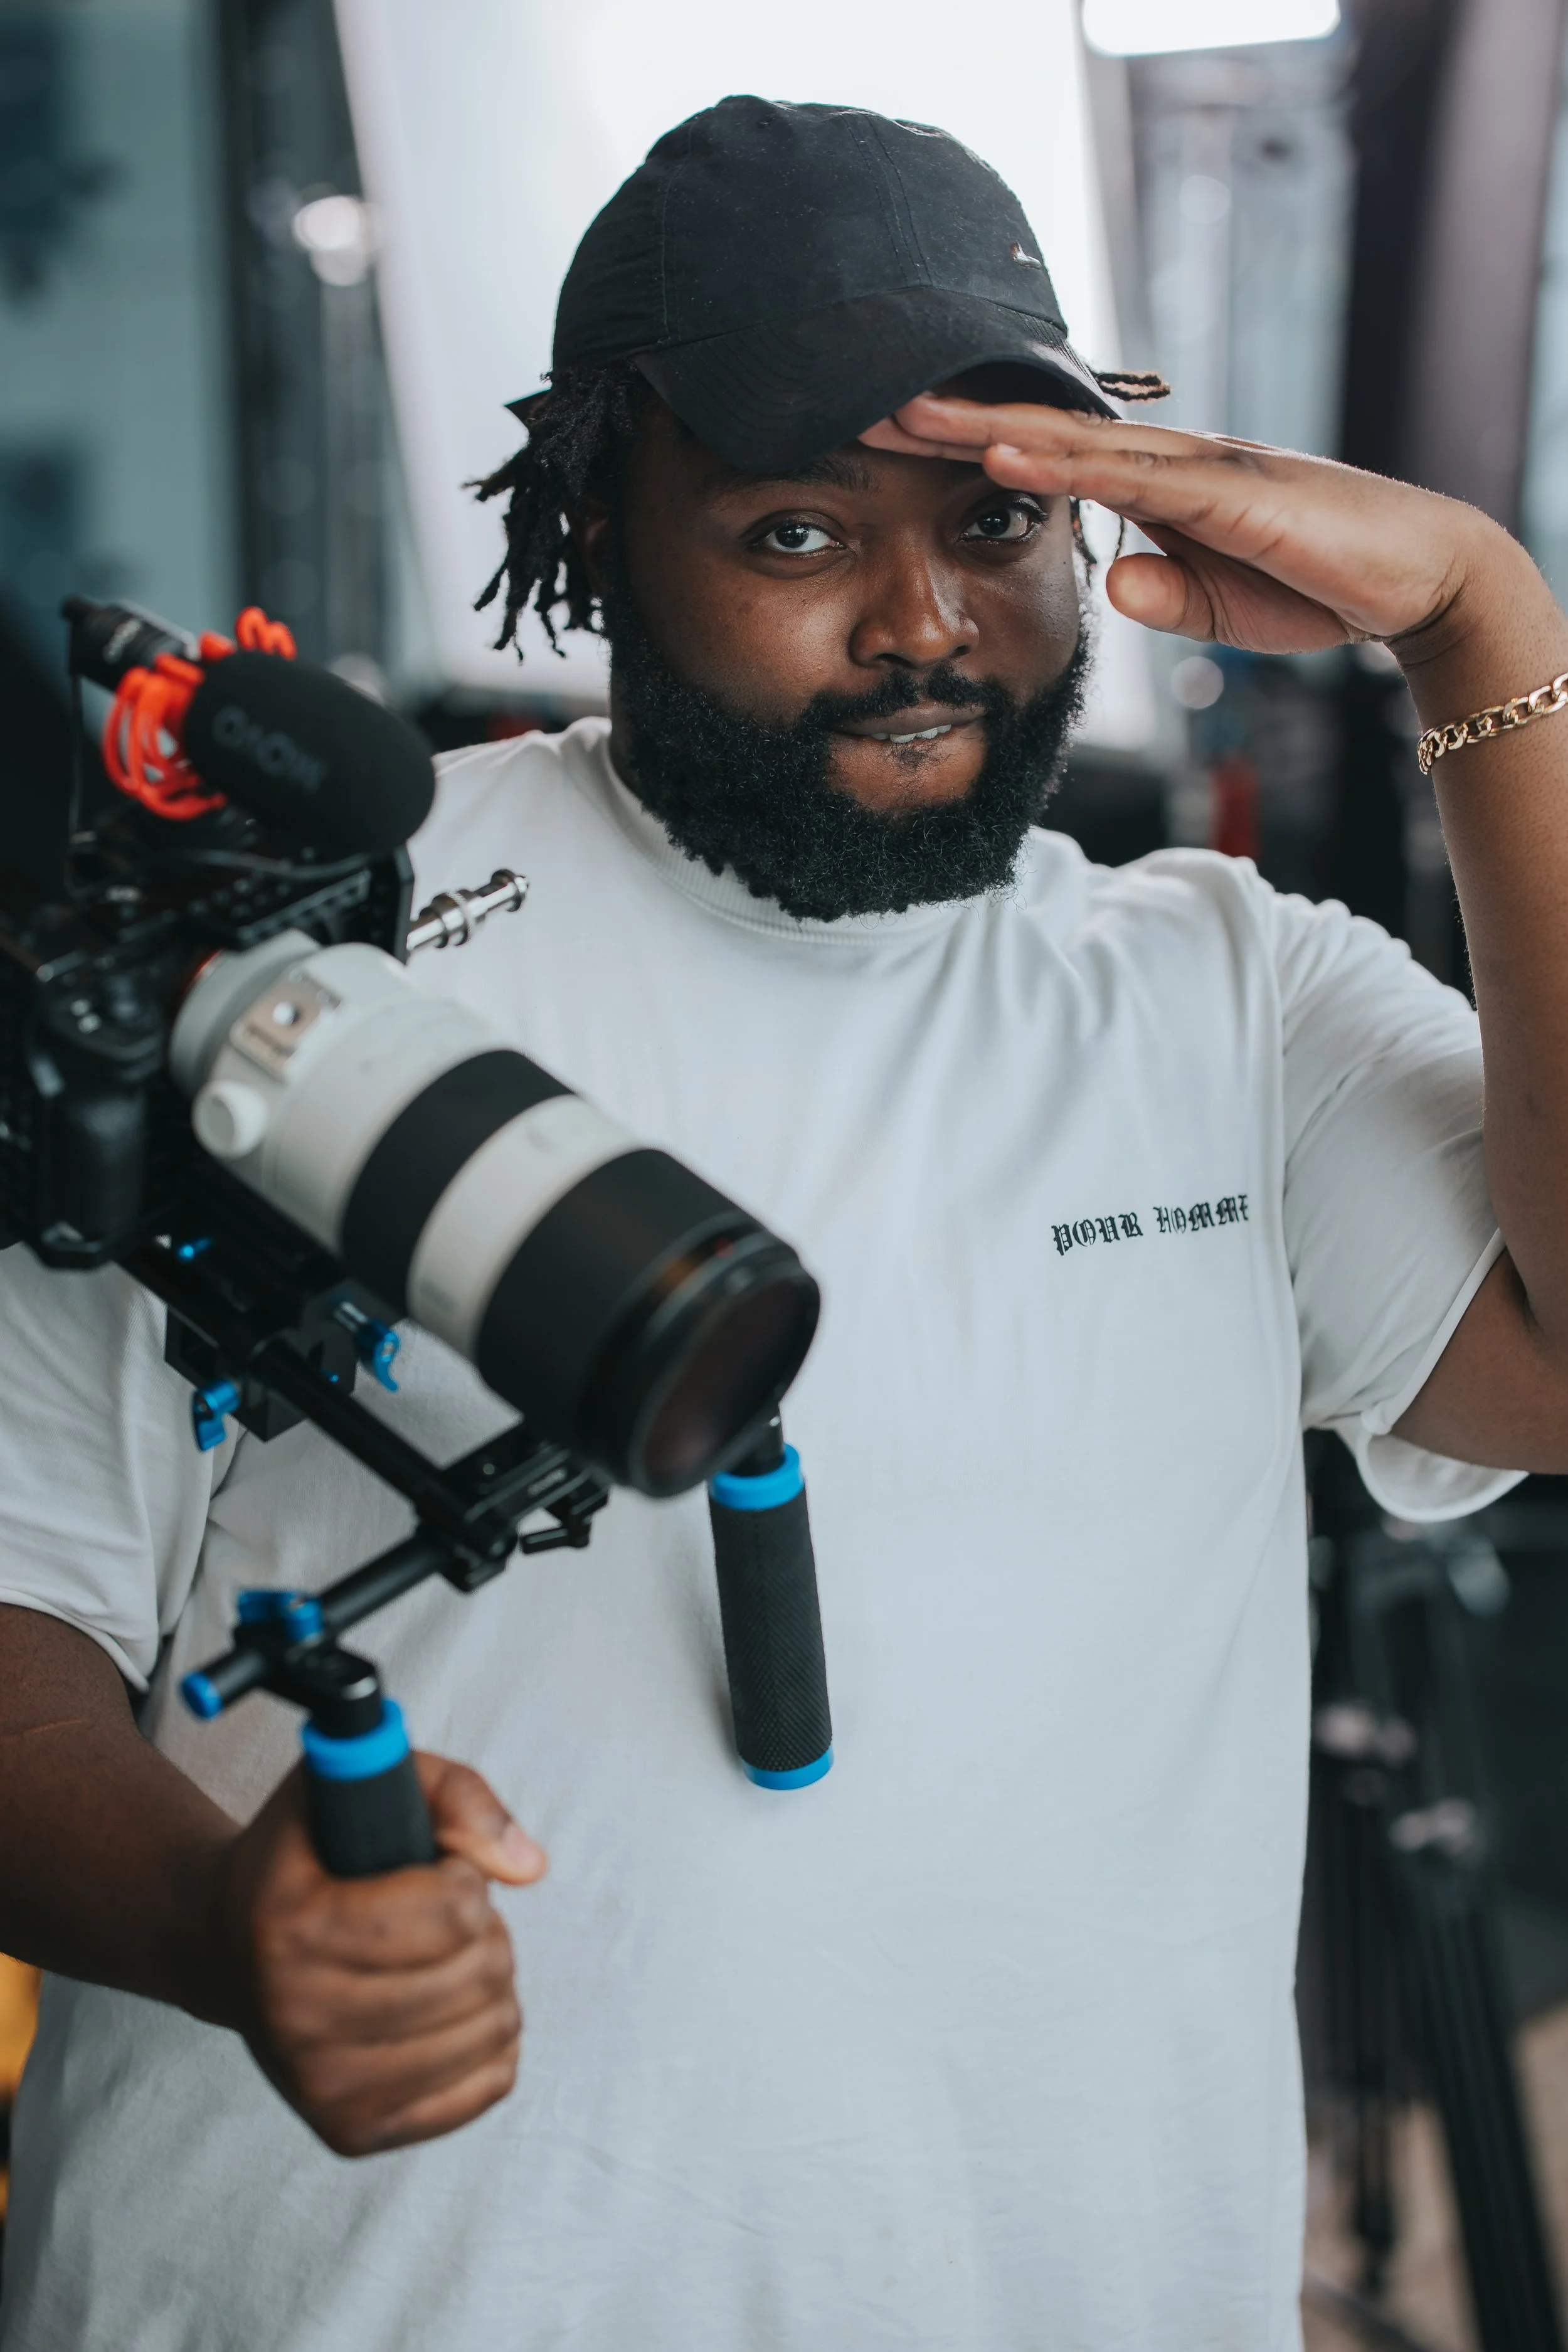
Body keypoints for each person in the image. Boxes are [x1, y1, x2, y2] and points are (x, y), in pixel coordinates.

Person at [0, 92, 1565, 2352]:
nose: (925, 623)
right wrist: (219, 1918)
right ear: (599, 540)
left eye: (994, 525)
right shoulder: (293, 957)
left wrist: (1478, 634)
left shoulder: (1227, 993)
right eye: (799, 531)